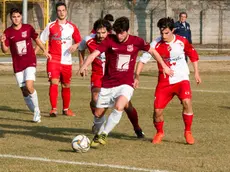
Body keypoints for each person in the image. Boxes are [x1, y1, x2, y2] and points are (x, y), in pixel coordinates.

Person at [78, 16, 173, 147]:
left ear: (127, 30)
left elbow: (153, 51)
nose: (119, 36)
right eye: (117, 32)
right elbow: (94, 53)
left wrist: (164, 66)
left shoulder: (136, 41)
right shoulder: (109, 40)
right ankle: (98, 134)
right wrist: (84, 65)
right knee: (98, 114)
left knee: (120, 106)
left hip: (125, 83)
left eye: (121, 33)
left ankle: (104, 134)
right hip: (108, 84)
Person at [137, 17, 201, 145]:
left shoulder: (182, 41)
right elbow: (142, 60)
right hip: (164, 82)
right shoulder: (155, 44)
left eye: (167, 33)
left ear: (173, 30)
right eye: (161, 33)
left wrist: (196, 73)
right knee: (157, 111)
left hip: (182, 79)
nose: (164, 35)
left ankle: (188, 132)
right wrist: (137, 76)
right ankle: (159, 132)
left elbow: (193, 55)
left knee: (187, 102)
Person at [78, 18, 145, 138]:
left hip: (115, 77)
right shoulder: (89, 40)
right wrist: (82, 64)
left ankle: (137, 127)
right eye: (98, 33)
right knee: (95, 98)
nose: (100, 35)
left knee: (127, 106)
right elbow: (81, 48)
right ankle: (100, 128)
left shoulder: (113, 40)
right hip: (99, 75)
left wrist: (136, 76)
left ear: (109, 32)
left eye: (103, 33)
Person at [0, 8, 50, 123]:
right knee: (24, 90)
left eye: (18, 16)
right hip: (18, 65)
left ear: (21, 17)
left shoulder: (28, 28)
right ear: (11, 18)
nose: (16, 19)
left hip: (30, 61)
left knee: (29, 85)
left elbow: (36, 39)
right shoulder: (7, 32)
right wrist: (2, 42)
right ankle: (35, 112)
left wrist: (44, 50)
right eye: (13, 17)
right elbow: (5, 50)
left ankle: (37, 110)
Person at [37, 2, 81, 117]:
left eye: (63, 10)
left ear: (66, 11)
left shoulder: (72, 27)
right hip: (53, 59)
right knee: (54, 82)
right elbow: (41, 40)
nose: (61, 12)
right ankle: (53, 109)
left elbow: (79, 41)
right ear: (56, 12)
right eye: (59, 10)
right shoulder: (50, 26)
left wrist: (75, 46)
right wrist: (42, 52)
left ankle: (66, 109)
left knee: (66, 85)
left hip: (67, 61)